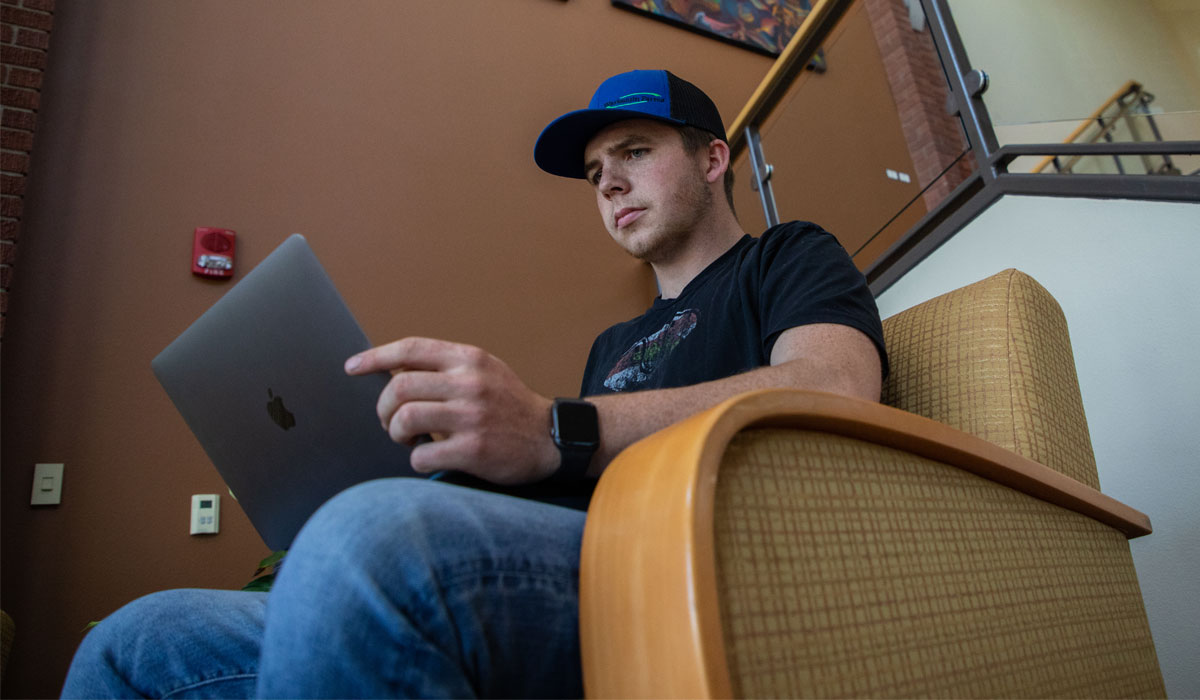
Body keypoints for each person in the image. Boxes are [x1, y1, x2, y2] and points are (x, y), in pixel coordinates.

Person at [61, 69, 887, 698]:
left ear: (713, 159)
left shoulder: (788, 256)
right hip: (572, 558)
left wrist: (553, 428)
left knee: (368, 542)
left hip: (688, 565)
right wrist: (464, 460)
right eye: (596, 168)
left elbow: (836, 389)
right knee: (137, 640)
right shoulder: (615, 342)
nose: (607, 183)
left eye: (634, 151)